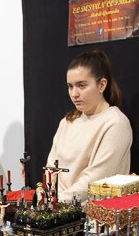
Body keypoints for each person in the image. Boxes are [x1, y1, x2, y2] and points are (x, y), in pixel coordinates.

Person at [45, 50, 132, 202]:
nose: (74, 93)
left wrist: (57, 202)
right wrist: (47, 198)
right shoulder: (67, 122)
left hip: (94, 217)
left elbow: (96, 178)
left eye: (81, 86)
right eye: (70, 86)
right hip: (57, 208)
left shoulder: (116, 123)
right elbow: (51, 168)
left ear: (102, 85)